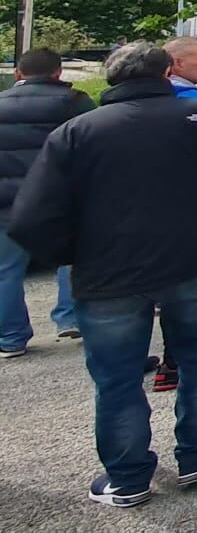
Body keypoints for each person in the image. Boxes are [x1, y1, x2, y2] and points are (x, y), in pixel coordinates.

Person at [9, 43, 197, 507]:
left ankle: (127, 476)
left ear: (112, 79)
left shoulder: (76, 132)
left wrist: (74, 254)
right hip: (196, 260)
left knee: (117, 377)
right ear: (167, 71)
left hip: (109, 270)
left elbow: (32, 217)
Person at [0, 48, 94, 357]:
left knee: (6, 271)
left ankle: (11, 338)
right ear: (58, 73)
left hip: (7, 202)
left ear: (17, 74)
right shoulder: (75, 102)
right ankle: (72, 318)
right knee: (71, 260)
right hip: (61, 196)